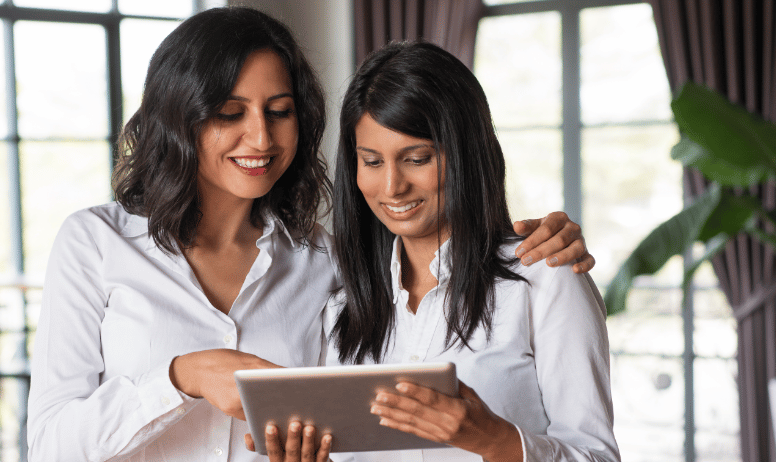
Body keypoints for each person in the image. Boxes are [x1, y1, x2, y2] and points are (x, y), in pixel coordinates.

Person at [26, 8, 594, 462]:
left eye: (279, 111)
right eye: (229, 112)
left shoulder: (325, 263)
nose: (260, 137)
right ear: (180, 117)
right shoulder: (96, 244)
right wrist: (183, 376)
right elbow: (50, 448)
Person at [264, 41, 619, 461]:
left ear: (467, 154)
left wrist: (492, 439)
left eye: (417, 158)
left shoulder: (543, 277)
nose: (393, 186)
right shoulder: (342, 307)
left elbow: (598, 456)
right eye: (372, 161)